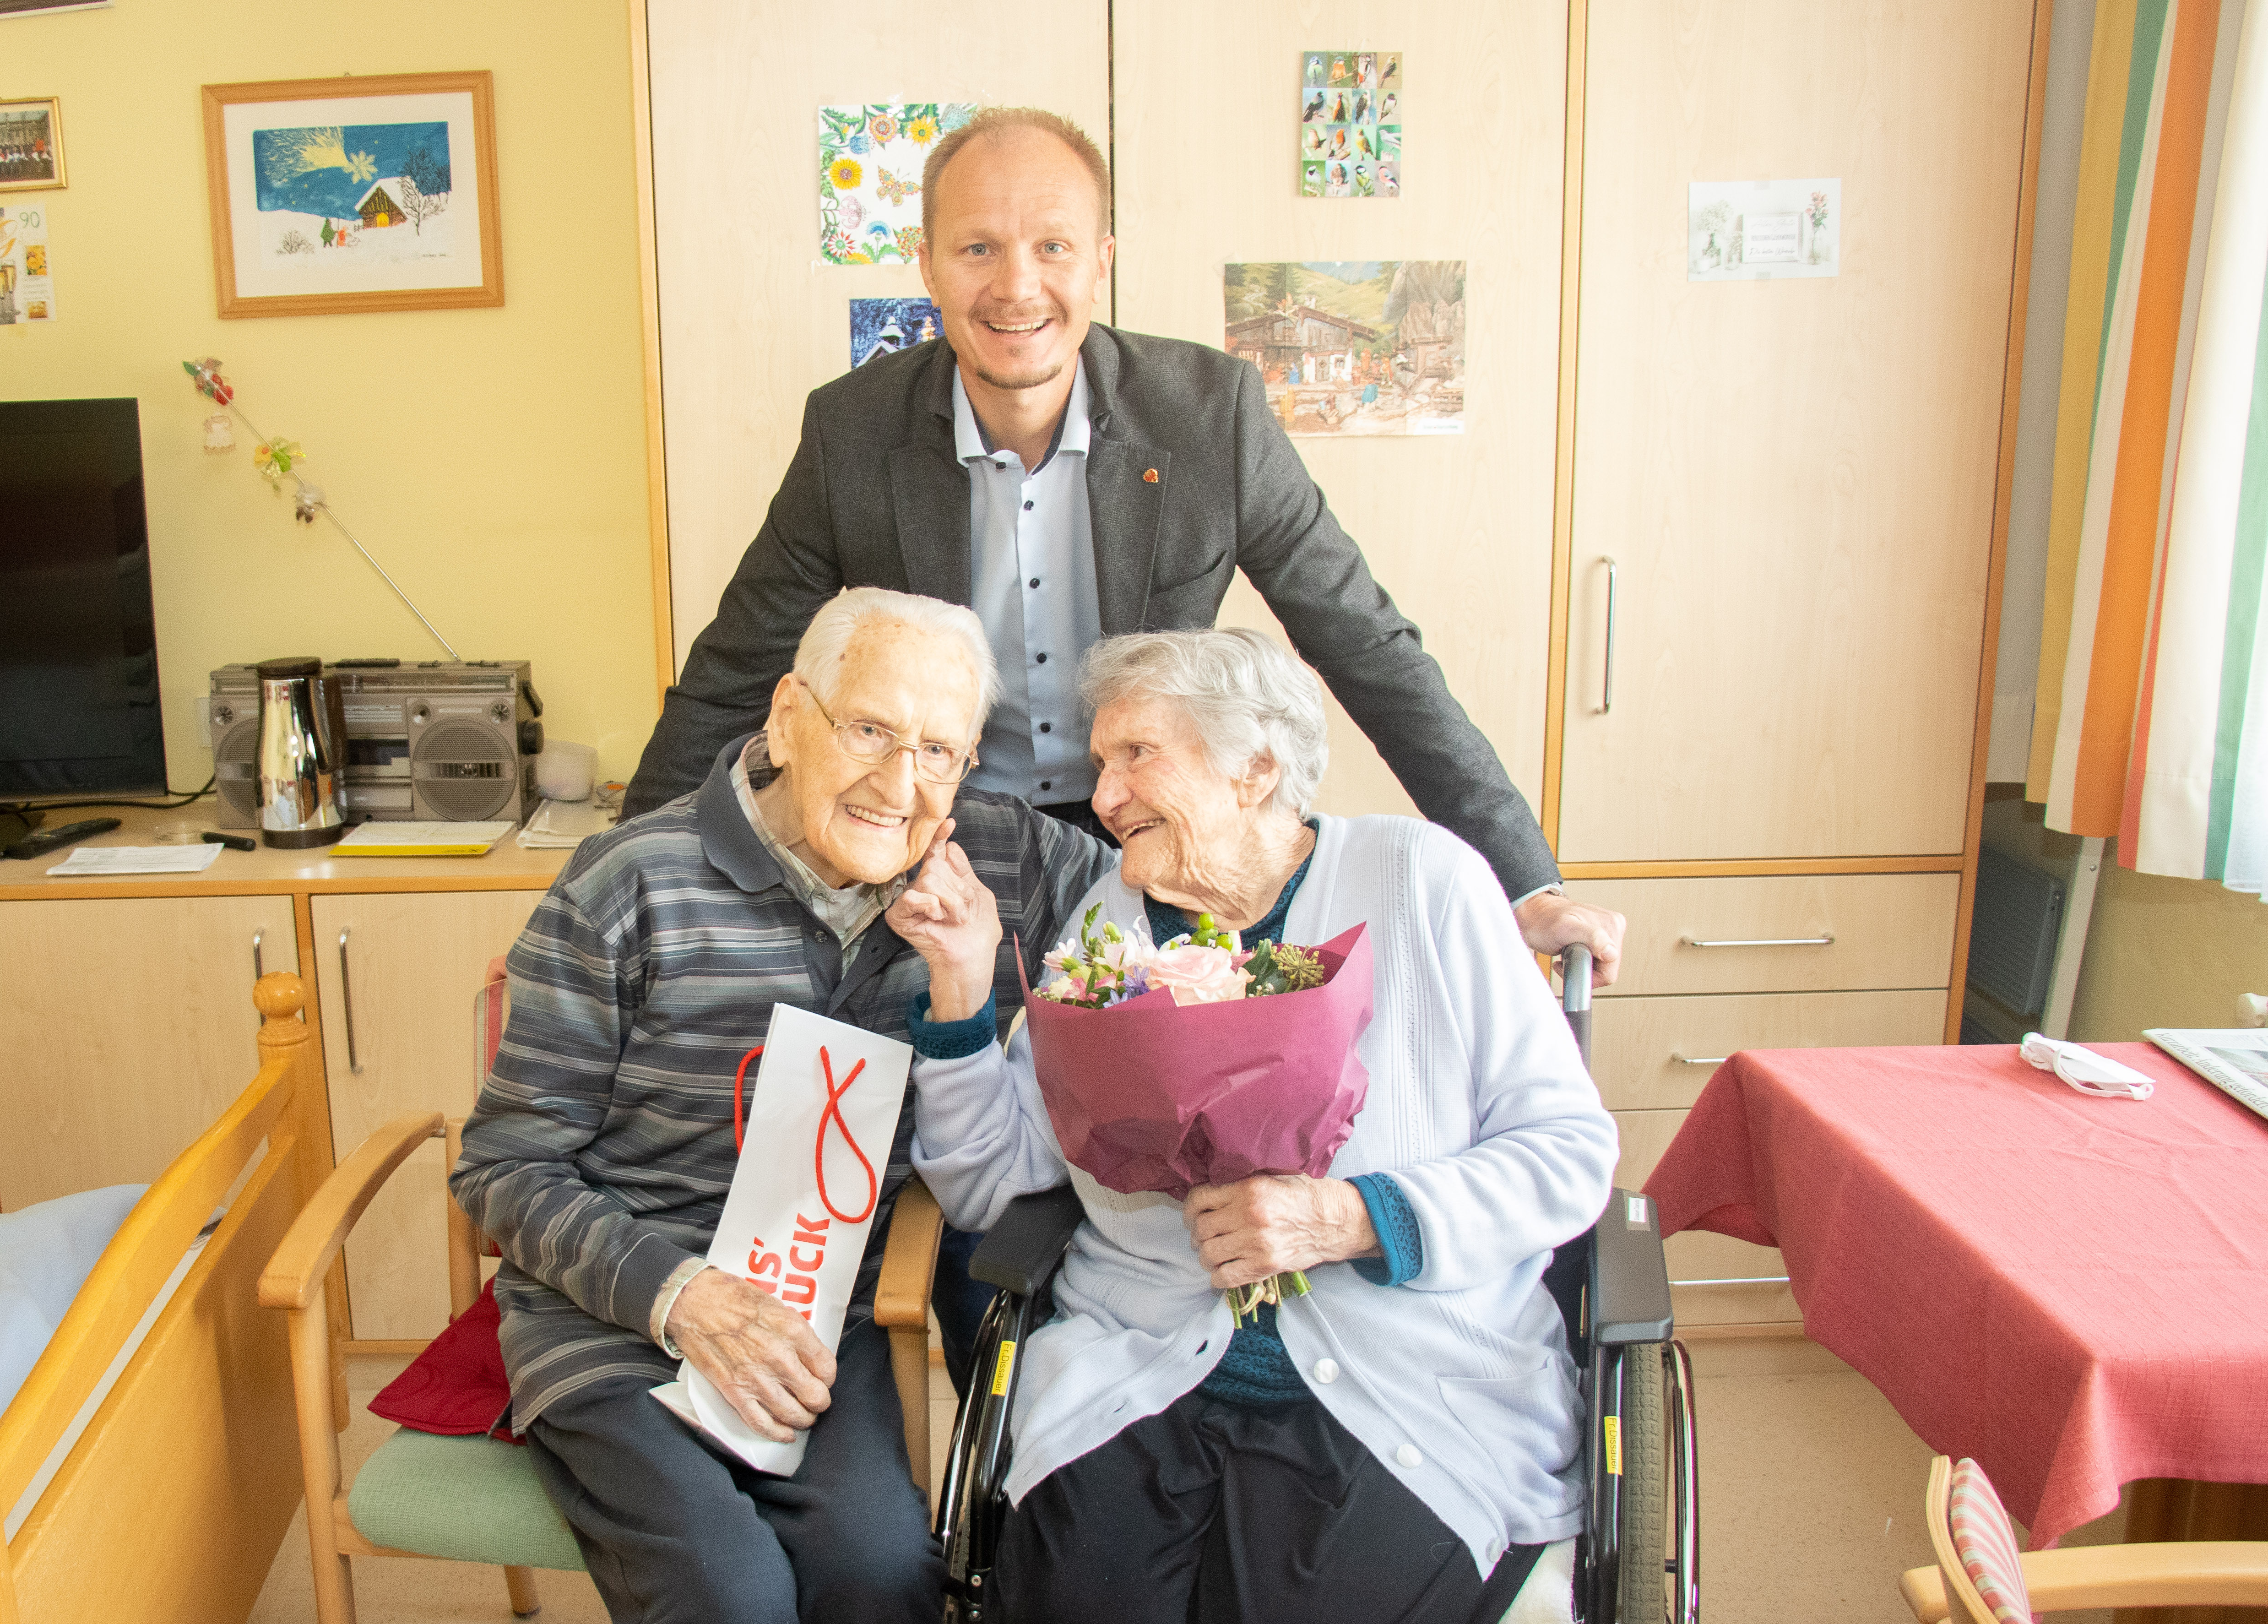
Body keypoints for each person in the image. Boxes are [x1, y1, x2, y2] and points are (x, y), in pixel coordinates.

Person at [618, 104, 1626, 987]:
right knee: (945, 1131)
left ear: (1100, 259)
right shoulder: (852, 432)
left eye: (1052, 247)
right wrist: (603, 906)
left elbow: (1367, 646)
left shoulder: (1210, 419)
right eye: (977, 249)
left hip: (1157, 837)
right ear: (925, 265)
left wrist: (1523, 879)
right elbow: (732, 677)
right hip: (940, 840)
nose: (1017, 286)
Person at [888, 628, 1617, 1624]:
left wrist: (1353, 1216)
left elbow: (1567, 1151)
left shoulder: (1425, 882)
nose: (1105, 794)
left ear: (1256, 768)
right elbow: (1000, 1182)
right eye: (1099, 765)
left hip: (1405, 1384)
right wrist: (955, 989)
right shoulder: (1107, 932)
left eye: (1136, 755)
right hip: (1142, 1368)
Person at [453, 589, 1106, 1624]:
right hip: (615, 1319)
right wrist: (683, 1297)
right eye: (868, 730)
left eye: (938, 751)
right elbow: (505, 1165)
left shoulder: (991, 856)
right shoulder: (627, 882)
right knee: (728, 1602)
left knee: (882, 1581)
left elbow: (1168, 905)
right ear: (788, 716)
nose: (901, 786)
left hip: (818, 1315)